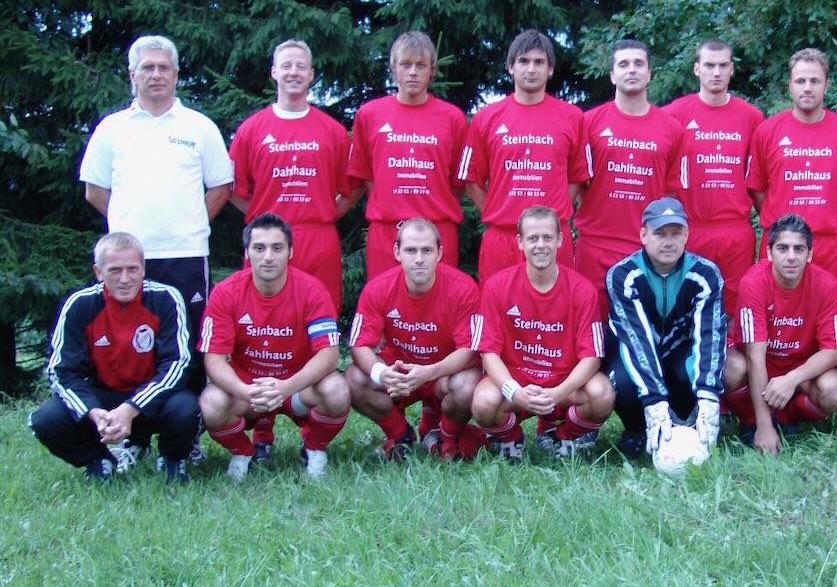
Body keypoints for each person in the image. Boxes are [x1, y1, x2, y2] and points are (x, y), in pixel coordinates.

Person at [79, 34, 233, 382]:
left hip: (186, 254)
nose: (156, 74)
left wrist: (190, 223)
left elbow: (221, 187)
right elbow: (94, 191)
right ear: (132, 74)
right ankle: (129, 415)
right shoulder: (111, 129)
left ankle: (188, 415)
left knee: (189, 341)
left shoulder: (199, 126)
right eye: (147, 67)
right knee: (129, 343)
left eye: (164, 67)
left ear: (176, 75)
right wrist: (127, 230)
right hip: (129, 260)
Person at [30, 232, 199, 483]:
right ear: (98, 272)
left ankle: (173, 458)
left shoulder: (166, 298)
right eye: (115, 270)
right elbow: (61, 371)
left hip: (152, 395)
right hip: (103, 396)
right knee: (46, 420)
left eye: (132, 269)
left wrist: (131, 408)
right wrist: (92, 411)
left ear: (143, 269)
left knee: (185, 409)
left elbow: (178, 363)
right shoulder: (79, 304)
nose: (124, 279)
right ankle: (98, 460)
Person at [198, 213, 350, 481]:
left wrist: (286, 387)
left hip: (297, 388)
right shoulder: (225, 292)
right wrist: (245, 391)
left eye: (277, 248)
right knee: (211, 402)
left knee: (336, 390)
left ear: (290, 252)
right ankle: (242, 452)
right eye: (259, 248)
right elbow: (214, 359)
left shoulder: (312, 290)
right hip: (249, 391)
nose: (268, 256)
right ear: (247, 252)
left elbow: (329, 353)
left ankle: (314, 448)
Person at [471, 206, 615, 460]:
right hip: (518, 380)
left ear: (560, 240)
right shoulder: (496, 286)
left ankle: (562, 437)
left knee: (602, 394)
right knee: (483, 402)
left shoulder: (583, 290)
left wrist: (557, 393)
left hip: (564, 383)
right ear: (520, 242)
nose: (540, 245)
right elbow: (488, 352)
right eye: (533, 238)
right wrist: (514, 392)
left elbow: (591, 357)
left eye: (547, 237)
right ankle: (511, 439)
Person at [345, 218, 485, 461]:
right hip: (399, 371)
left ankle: (445, 439)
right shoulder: (378, 288)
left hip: (443, 372)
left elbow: (470, 350)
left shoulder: (463, 288)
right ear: (397, 252)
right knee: (354, 379)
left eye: (426, 250)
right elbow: (359, 344)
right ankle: (400, 436)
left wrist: (430, 372)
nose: (419, 259)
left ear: (439, 253)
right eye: (411, 250)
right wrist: (382, 373)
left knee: (468, 384)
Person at [228, 39, 351, 310]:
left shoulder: (333, 131)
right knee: (263, 316)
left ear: (311, 74)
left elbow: (352, 189)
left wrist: (326, 213)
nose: (293, 72)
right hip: (267, 239)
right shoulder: (251, 130)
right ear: (274, 72)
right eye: (286, 66)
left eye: (300, 66)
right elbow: (232, 189)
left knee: (321, 314)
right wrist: (263, 218)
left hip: (318, 239)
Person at [458, 30, 588, 281]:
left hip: (551, 239)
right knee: (498, 304)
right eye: (523, 61)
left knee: (554, 305)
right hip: (503, 238)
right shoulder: (486, 118)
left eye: (539, 62)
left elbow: (577, 177)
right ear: (510, 67)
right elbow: (471, 179)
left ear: (550, 69)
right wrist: (496, 212)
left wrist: (553, 217)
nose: (531, 69)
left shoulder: (572, 117)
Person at [605, 197, 727, 460]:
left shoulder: (706, 274)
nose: (668, 241)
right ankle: (638, 429)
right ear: (644, 235)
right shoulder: (623, 275)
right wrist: (654, 400)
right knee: (623, 383)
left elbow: (710, 336)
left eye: (675, 233)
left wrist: (708, 396)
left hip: (677, 353)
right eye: (660, 234)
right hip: (636, 354)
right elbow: (636, 340)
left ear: (686, 236)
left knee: (687, 373)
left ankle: (686, 423)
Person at [348, 31, 468, 278]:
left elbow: (458, 183)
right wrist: (390, 203)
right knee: (383, 299)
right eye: (405, 64)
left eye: (420, 65)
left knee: (441, 300)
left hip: (438, 231)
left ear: (432, 70)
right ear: (393, 68)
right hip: (386, 232)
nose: (413, 72)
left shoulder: (452, 118)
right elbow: (365, 175)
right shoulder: (369, 115)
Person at [723, 214, 837, 454]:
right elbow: (755, 356)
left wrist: (792, 378)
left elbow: (832, 351)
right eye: (783, 248)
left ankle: (789, 418)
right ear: (769, 253)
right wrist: (764, 426)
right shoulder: (753, 283)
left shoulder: (826, 284)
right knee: (731, 368)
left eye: (799, 249)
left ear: (810, 254)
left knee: (833, 389)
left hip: (800, 369)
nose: (791, 256)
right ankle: (752, 420)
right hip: (762, 365)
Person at [664, 38, 763, 312]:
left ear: (732, 69)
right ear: (697, 69)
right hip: (690, 228)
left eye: (722, 66)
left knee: (733, 310)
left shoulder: (751, 117)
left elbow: (758, 178)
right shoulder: (673, 115)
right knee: (685, 308)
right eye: (709, 65)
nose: (716, 73)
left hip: (735, 231)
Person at [575, 40, 682, 286]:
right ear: (612, 75)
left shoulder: (671, 128)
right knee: (591, 312)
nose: (632, 69)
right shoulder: (589, 123)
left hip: (646, 247)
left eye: (638, 64)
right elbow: (579, 180)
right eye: (623, 64)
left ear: (649, 73)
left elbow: (670, 190)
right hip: (595, 245)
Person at [746, 48, 837, 276]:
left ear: (826, 85)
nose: (807, 88)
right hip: (781, 242)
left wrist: (825, 216)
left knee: (829, 299)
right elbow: (757, 189)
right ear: (790, 85)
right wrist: (780, 221)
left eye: (814, 81)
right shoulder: (767, 131)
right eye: (800, 81)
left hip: (830, 244)